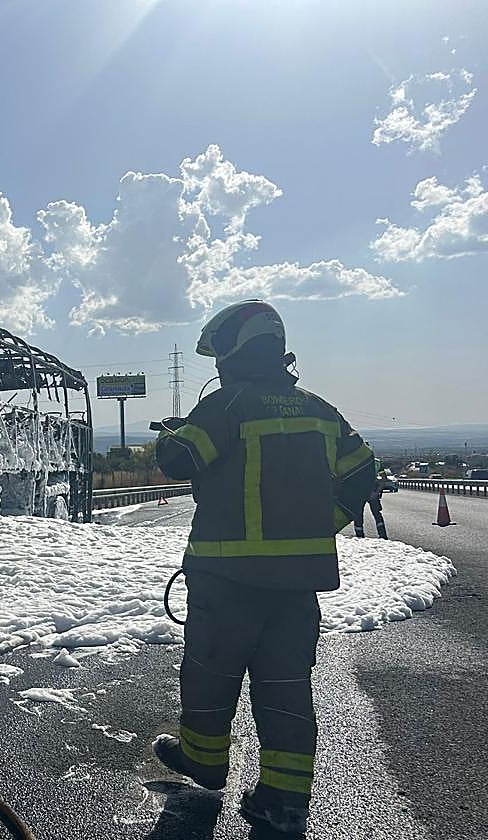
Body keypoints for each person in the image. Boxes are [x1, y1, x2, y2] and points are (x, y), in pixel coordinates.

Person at [151, 300, 376, 836]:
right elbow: (362, 468)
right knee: (286, 689)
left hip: (227, 580)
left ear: (233, 350)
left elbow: (178, 461)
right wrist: (327, 523)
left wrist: (170, 433)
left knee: (210, 675)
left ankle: (204, 761)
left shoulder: (229, 405)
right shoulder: (321, 410)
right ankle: (284, 799)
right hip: (298, 585)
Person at [353, 473, 389, 538]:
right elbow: (384, 479)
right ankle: (383, 535)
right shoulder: (375, 463)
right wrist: (377, 492)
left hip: (361, 492)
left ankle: (359, 536)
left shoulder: (357, 463)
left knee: (358, 515)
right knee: (376, 514)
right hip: (371, 491)